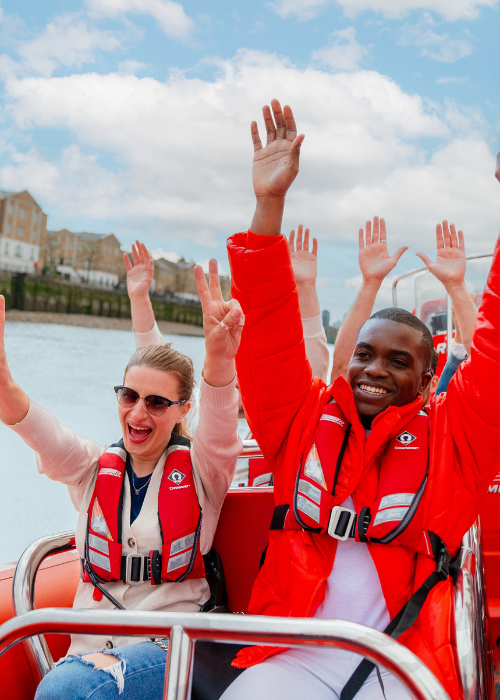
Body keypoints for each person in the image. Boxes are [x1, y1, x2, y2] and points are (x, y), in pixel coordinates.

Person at [221, 99, 500, 700]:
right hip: (295, 656)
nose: (373, 370)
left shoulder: (455, 443)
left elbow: (496, 351)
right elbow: (267, 336)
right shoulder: (302, 423)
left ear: (430, 382)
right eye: (365, 355)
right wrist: (269, 205)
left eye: (399, 361)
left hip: (403, 664)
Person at [0, 262, 244, 700]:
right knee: (72, 685)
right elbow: (40, 429)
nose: (137, 413)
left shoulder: (204, 470)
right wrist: (3, 381)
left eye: (156, 402)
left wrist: (220, 358)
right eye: (129, 396)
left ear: (183, 409)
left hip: (171, 646)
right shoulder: (92, 468)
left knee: (66, 691)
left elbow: (222, 428)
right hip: (88, 650)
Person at [124, 233, 329, 488]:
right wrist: (140, 297)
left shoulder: (286, 420)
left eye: (250, 368)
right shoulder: (197, 409)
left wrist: (306, 286)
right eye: (238, 365)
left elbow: (315, 369)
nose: (242, 379)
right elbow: (157, 369)